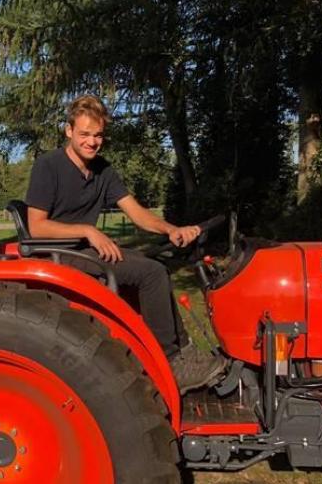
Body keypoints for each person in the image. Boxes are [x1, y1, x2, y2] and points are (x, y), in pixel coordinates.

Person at [25, 94, 224, 393]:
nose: (92, 142)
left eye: (98, 135)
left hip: (85, 250)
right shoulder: (48, 166)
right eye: (84, 135)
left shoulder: (103, 170)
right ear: (68, 131)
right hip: (59, 254)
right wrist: (88, 232)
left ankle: (182, 349)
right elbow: (36, 227)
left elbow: (137, 213)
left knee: (156, 266)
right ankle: (169, 363)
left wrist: (170, 229)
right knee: (152, 274)